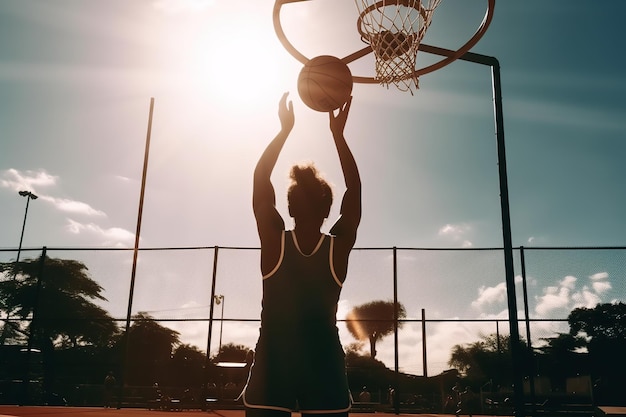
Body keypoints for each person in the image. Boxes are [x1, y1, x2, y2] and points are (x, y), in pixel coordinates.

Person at [243, 92, 361, 417]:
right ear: (328, 210)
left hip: (274, 362)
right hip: (323, 364)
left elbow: (260, 179)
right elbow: (354, 191)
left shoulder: (274, 241)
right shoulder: (337, 248)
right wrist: (338, 137)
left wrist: (284, 131)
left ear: (289, 207)